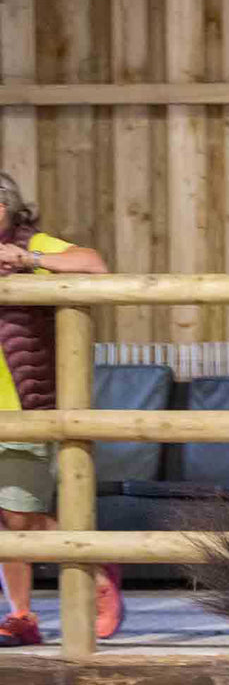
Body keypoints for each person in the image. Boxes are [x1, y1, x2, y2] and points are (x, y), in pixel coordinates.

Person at [0, 172, 118, 647]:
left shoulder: (34, 244)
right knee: (8, 520)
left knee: (18, 518)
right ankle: (22, 614)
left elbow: (95, 265)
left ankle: (97, 568)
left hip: (23, 409)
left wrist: (28, 259)